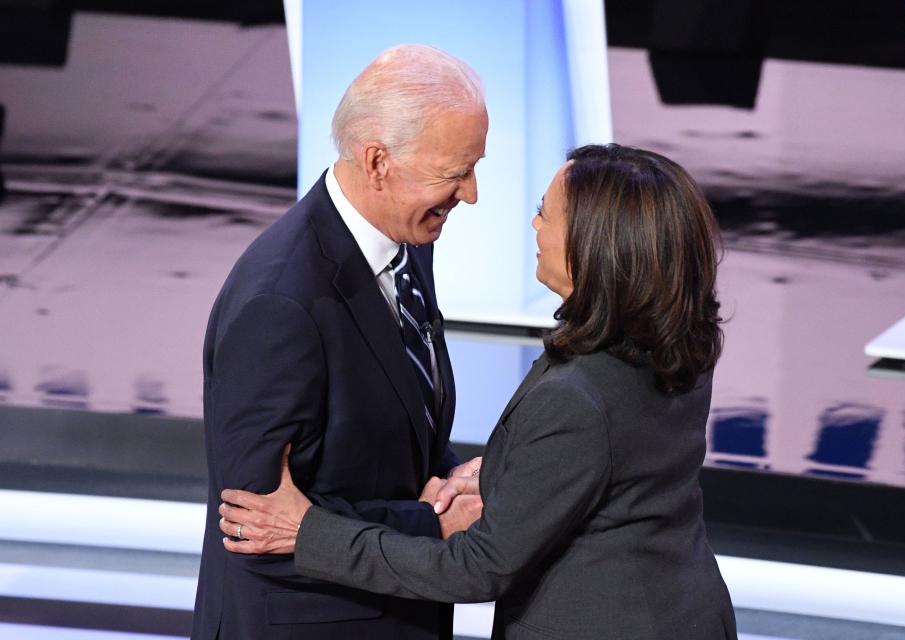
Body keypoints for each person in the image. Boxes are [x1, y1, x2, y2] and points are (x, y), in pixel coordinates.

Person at [218, 144, 738, 639]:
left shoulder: (576, 399)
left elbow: (478, 568)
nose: (534, 224)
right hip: (683, 609)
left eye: (546, 214)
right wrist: (504, 471)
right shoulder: (674, 337)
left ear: (596, 246)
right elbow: (615, 464)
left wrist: (307, 532)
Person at [191, 44, 488, 640]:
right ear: (378, 161)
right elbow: (253, 523)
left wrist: (453, 480)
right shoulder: (280, 304)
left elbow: (399, 430)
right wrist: (430, 525)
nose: (472, 194)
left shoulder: (406, 240)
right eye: (455, 173)